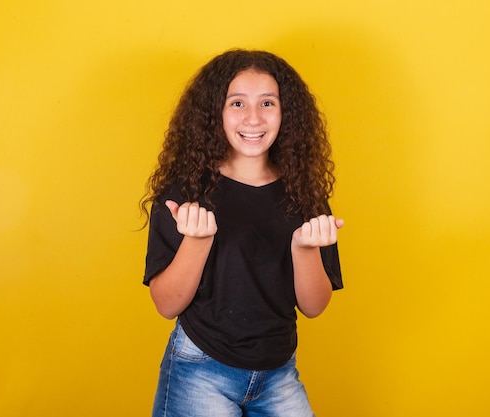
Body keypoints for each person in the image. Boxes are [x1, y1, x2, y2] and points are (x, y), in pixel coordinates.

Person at [140, 49, 344, 417]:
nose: (253, 117)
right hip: (200, 370)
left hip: (278, 373)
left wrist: (304, 249)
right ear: (215, 112)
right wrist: (197, 242)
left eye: (267, 102)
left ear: (287, 114)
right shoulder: (183, 193)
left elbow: (314, 307)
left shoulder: (305, 195)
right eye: (237, 103)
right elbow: (166, 304)